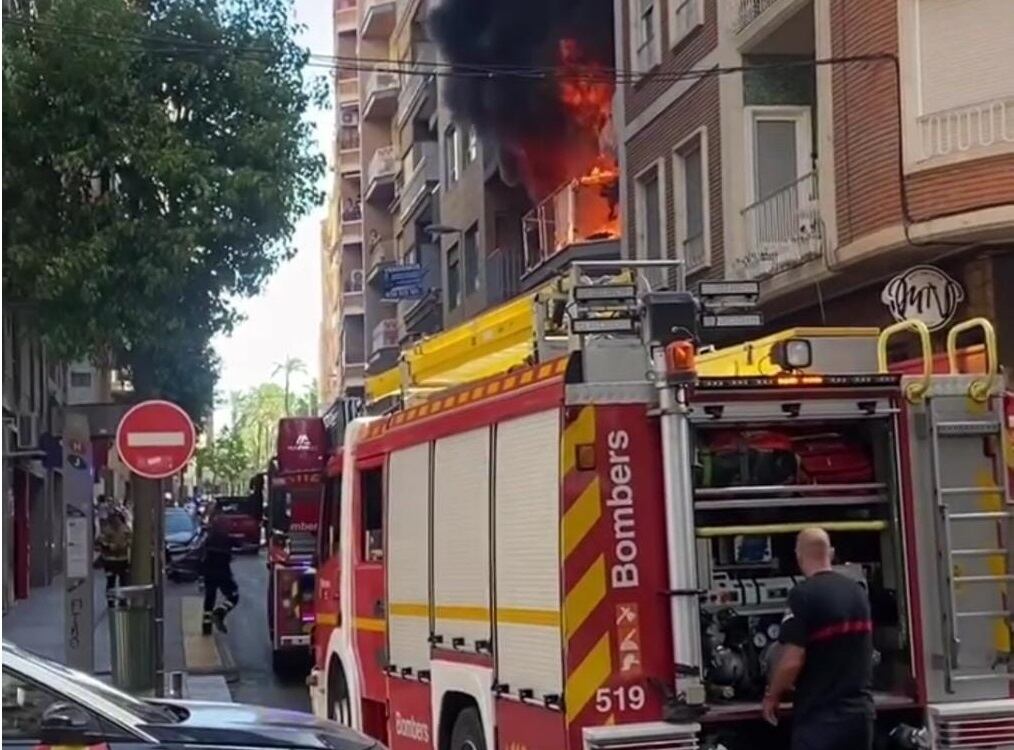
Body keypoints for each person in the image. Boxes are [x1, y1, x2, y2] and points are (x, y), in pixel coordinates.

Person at [763, 527, 874, 750]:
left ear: (799, 556)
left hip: (820, 718)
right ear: (830, 553)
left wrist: (772, 695)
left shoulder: (803, 594)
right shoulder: (857, 592)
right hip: (860, 717)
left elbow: (792, 660)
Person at [201, 509, 239, 635]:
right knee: (234, 596)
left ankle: (206, 628)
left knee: (209, 599)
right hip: (223, 573)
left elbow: (202, 555)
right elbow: (238, 544)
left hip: (209, 573)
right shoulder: (226, 539)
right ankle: (220, 612)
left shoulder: (209, 538)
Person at [97, 511, 131, 598]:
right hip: (110, 560)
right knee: (111, 581)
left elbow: (130, 541)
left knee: (123, 581)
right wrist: (109, 546)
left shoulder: (125, 529)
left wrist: (125, 544)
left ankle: (123, 600)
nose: (116, 521)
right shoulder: (106, 530)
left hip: (122, 559)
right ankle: (111, 600)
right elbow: (100, 542)